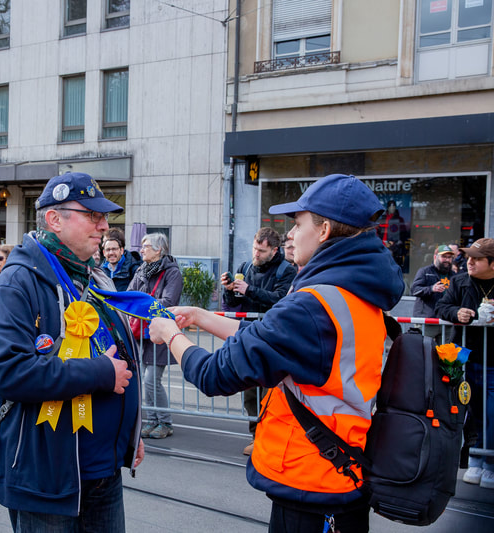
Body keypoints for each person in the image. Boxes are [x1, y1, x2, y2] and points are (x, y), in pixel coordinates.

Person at [149, 174, 404, 533]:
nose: (290, 235)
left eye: (298, 224)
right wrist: (201, 316)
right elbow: (269, 338)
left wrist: (170, 333)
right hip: (341, 470)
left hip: (312, 480)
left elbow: (213, 374)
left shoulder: (311, 306)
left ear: (324, 230)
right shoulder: (351, 294)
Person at [0, 172, 143, 531]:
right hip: (46, 479)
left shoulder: (94, 278)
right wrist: (101, 373)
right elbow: (10, 372)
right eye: (93, 215)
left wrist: (129, 433)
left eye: (104, 217)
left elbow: (116, 350)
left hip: (103, 471)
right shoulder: (13, 286)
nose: (104, 226)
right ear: (54, 219)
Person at [221, 227, 297, 455]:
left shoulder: (287, 270)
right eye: (255, 248)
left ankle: (268, 439)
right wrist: (229, 290)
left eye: (261, 251)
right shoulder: (245, 267)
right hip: (250, 338)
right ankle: (256, 437)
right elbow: (234, 302)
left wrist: (250, 290)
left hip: (274, 340)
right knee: (250, 393)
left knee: (270, 394)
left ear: (274, 251)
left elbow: (281, 300)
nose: (256, 254)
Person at [435, 237, 494, 490]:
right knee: (464, 408)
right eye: (468, 257)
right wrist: (456, 313)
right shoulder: (459, 282)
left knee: (490, 412)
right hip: (462, 358)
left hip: (491, 360)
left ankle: (487, 462)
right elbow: (441, 307)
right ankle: (471, 460)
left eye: (477, 258)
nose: (469, 262)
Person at [127, 233, 181, 440]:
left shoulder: (172, 272)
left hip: (161, 332)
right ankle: (151, 420)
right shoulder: (141, 270)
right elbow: (130, 293)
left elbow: (168, 302)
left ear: (159, 250)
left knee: (151, 380)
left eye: (146, 246)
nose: (141, 250)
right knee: (143, 380)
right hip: (142, 333)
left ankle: (165, 422)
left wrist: (142, 304)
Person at [411, 244, 455, 318]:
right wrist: (431, 289)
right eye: (444, 256)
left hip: (446, 318)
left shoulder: (454, 275)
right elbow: (414, 290)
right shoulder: (425, 271)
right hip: (426, 318)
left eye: (449, 257)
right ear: (435, 257)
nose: (447, 260)